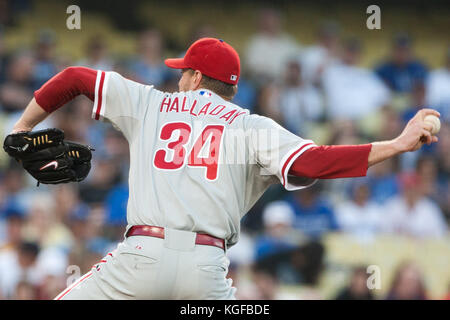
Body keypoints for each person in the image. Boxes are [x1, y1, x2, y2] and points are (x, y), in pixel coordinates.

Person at [7, 37, 440, 299]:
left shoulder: (151, 102)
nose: (179, 77)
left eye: (183, 72)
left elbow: (76, 76)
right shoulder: (254, 127)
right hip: (206, 268)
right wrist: (397, 145)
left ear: (196, 78)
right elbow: (313, 163)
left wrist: (24, 126)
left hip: (139, 258)